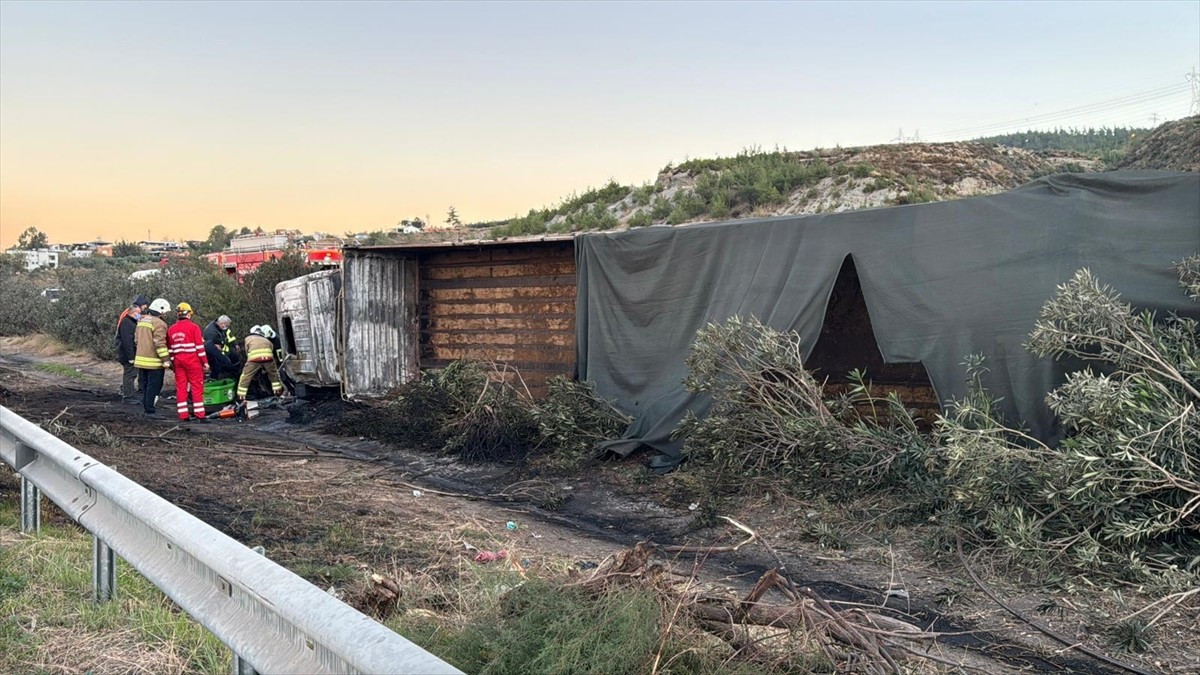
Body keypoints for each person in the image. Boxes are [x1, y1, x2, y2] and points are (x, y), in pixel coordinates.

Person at [168, 302, 210, 422]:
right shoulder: (194, 327)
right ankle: (200, 415)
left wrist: (173, 361)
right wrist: (205, 362)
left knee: (181, 388)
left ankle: (183, 416)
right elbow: (200, 348)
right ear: (189, 314)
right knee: (197, 387)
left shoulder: (171, 329)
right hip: (193, 361)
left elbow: (170, 349)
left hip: (178, 361)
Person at [133, 298, 172, 417]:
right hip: (154, 362)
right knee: (154, 387)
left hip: (141, 360)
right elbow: (159, 343)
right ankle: (150, 410)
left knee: (145, 385)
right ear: (161, 310)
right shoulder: (160, 324)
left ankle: (146, 408)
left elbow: (136, 340)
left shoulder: (142, 320)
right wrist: (166, 359)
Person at [115, 295, 149, 403]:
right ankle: (128, 396)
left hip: (128, 352)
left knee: (131, 373)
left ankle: (129, 392)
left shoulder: (129, 319)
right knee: (130, 374)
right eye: (138, 313)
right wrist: (131, 357)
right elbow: (127, 341)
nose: (140, 315)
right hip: (127, 354)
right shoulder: (127, 322)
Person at [237, 325, 284, 400]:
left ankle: (241, 396)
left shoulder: (248, 339)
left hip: (254, 359)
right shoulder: (266, 340)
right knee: (273, 375)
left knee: (246, 376)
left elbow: (247, 350)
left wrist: (250, 360)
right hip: (269, 358)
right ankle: (278, 392)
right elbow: (271, 348)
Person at [203, 314, 240, 380]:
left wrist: (235, 344)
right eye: (227, 325)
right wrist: (216, 346)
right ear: (222, 323)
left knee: (232, 358)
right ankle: (215, 378)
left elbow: (229, 337)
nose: (227, 327)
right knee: (220, 363)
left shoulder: (221, 327)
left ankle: (234, 373)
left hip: (223, 348)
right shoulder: (210, 332)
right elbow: (209, 345)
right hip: (213, 353)